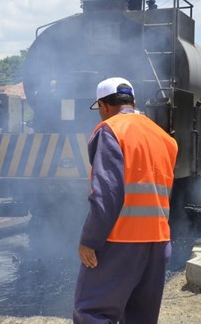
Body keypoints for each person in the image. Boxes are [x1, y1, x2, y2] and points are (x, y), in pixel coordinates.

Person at [73, 77, 178, 323]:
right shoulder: (164, 138)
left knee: (92, 312)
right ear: (133, 102)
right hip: (159, 241)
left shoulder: (110, 130)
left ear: (104, 106)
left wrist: (89, 240)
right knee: (140, 317)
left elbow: (107, 193)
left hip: (120, 240)